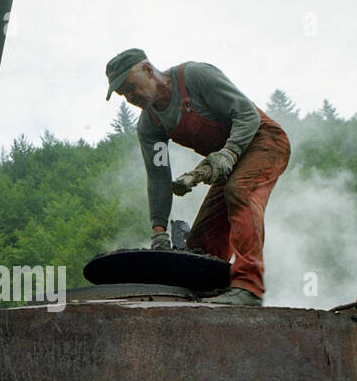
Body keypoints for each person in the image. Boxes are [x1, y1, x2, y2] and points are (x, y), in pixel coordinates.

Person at [105, 48, 290, 306]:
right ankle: (210, 293)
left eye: (131, 86)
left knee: (239, 191)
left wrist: (228, 154)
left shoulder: (194, 77)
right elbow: (158, 178)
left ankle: (248, 287)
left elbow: (246, 114)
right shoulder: (150, 126)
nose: (130, 97)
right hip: (230, 164)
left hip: (263, 140)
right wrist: (159, 232)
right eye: (123, 94)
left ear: (147, 69)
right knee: (200, 245)